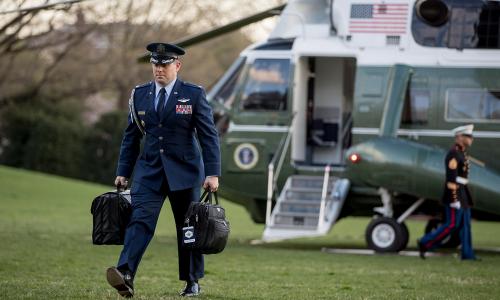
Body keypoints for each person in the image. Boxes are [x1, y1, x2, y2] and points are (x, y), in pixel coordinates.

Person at [106, 42, 221, 297]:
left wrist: (212, 173)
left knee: (188, 229)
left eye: (165, 64)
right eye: (155, 64)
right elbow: (131, 136)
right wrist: (123, 171)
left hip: (186, 172)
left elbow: (208, 136)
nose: (159, 69)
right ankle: (125, 274)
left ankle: (192, 281)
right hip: (149, 172)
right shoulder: (139, 94)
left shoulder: (193, 94)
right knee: (139, 221)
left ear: (177, 65)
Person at [418, 124, 476, 260]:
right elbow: (451, 178)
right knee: (452, 224)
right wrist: (454, 199)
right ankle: (425, 242)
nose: (471, 139)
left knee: (465, 225)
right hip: (455, 193)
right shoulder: (453, 154)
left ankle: (468, 254)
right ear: (459, 137)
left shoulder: (462, 153)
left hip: (463, 193)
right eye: (468, 136)